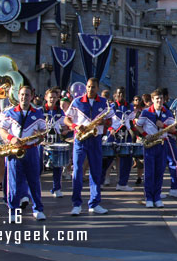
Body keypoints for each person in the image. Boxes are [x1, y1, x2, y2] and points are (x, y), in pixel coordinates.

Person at [64, 77, 117, 216]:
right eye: (88, 86)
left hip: (95, 138)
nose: (90, 89)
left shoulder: (104, 102)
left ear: (97, 88)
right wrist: (74, 126)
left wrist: (103, 121)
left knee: (96, 171)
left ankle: (95, 203)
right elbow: (66, 118)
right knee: (77, 170)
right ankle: (76, 204)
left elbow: (111, 119)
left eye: (93, 87)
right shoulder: (77, 101)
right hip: (80, 139)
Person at [0, 86, 47, 222]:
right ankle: (13, 210)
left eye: (27, 95)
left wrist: (38, 136)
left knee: (34, 181)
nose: (24, 97)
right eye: (22, 95)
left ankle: (38, 209)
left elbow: (43, 133)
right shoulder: (10, 112)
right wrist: (11, 138)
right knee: (14, 182)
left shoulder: (38, 113)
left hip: (31, 150)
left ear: (31, 96)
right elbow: (2, 130)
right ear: (18, 96)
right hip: (15, 151)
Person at [135, 89, 170, 208]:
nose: (159, 101)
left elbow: (174, 130)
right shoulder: (145, 113)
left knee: (159, 172)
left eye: (161, 98)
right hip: (150, 145)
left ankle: (157, 197)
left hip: (162, 145)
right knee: (149, 172)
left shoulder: (168, 113)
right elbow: (138, 126)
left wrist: (164, 126)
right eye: (157, 99)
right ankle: (149, 197)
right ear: (152, 100)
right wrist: (145, 135)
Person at [102, 87, 135, 191]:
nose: (121, 95)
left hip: (125, 135)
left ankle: (122, 183)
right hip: (113, 135)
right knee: (107, 159)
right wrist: (111, 129)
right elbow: (105, 121)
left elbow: (132, 121)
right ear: (115, 95)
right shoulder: (111, 107)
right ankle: (100, 182)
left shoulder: (130, 107)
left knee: (127, 160)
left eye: (123, 93)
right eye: (119, 93)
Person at [43, 88, 67, 198]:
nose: (52, 99)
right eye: (50, 97)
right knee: (37, 166)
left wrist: (66, 129)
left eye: (54, 97)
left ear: (57, 98)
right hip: (43, 140)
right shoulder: (41, 110)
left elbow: (64, 124)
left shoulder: (60, 111)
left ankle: (56, 188)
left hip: (56, 139)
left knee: (58, 165)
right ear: (46, 98)